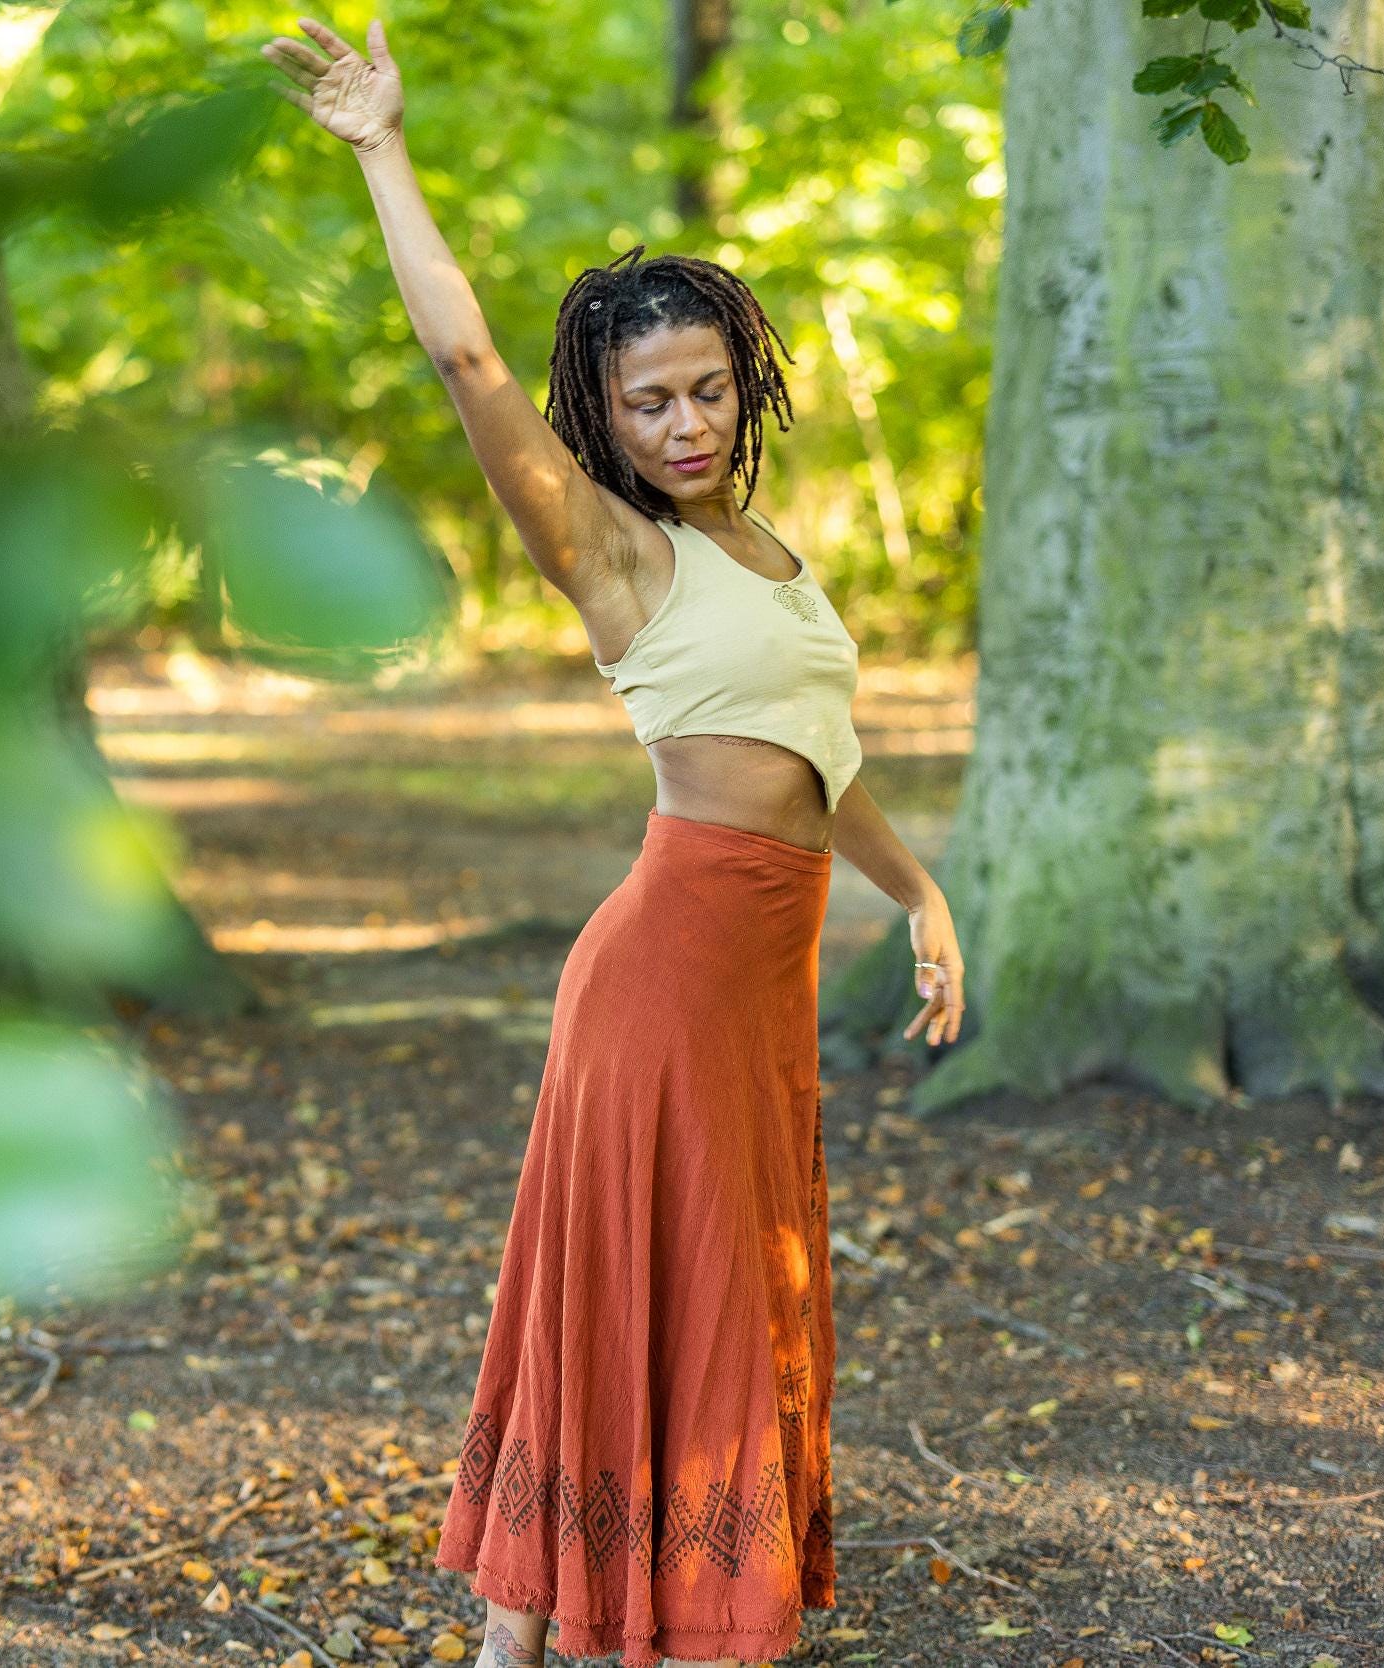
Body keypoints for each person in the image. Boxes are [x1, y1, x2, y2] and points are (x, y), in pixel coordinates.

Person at [260, 17, 967, 1668]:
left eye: (709, 388)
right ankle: (579, 1632)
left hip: (760, 993)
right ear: (609, 414)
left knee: (703, 1283)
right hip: (656, 984)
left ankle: (527, 1636)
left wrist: (921, 891)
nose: (687, 423)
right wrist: (383, 149)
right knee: (641, 1294)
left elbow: (820, 762)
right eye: (649, 402)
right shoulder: (615, 558)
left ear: (744, 379)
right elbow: (469, 367)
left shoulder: (773, 550)